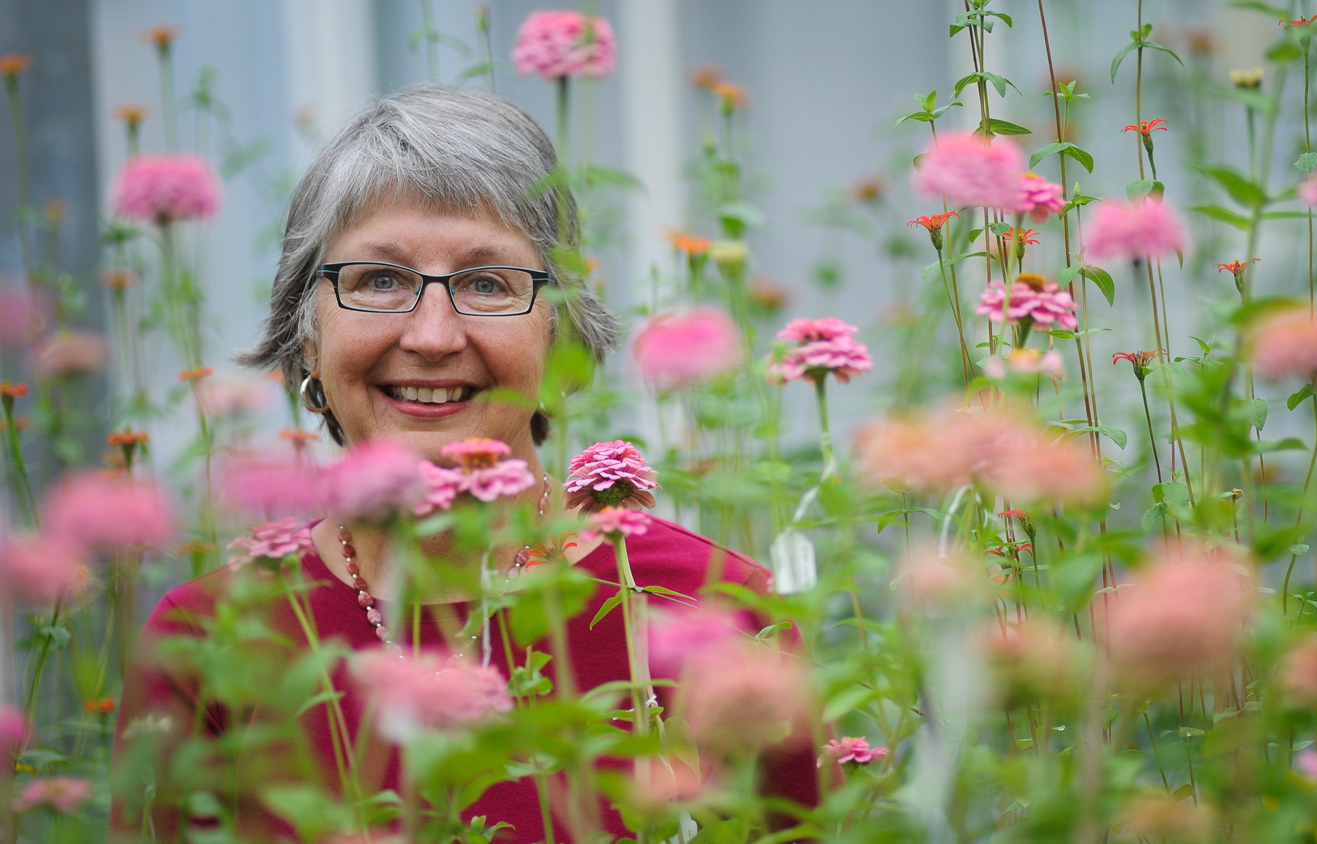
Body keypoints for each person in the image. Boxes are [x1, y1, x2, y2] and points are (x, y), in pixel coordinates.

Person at [109, 84, 818, 842]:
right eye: (380, 280)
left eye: (487, 283)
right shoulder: (210, 640)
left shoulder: (717, 615)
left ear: (562, 334)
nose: (434, 336)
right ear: (306, 334)